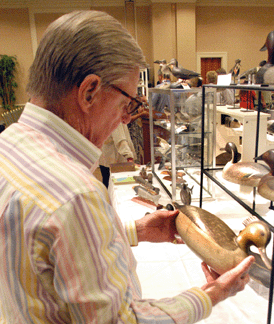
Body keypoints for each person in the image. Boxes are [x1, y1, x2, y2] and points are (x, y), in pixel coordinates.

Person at [0, 10, 254, 323]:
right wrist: (215, 292)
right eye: (126, 104)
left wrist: (134, 230)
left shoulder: (7, 144)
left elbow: (40, 248)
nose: (124, 119)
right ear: (89, 91)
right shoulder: (75, 194)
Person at [99, 122, 136, 188]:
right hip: (114, 160)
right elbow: (120, 140)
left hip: (105, 156)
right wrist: (129, 157)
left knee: (107, 182)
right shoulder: (116, 117)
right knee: (115, 186)